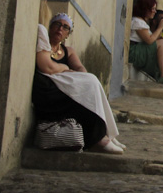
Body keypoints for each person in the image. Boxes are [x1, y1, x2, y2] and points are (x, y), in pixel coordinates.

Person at [33, 13, 125, 154]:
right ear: (50, 27)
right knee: (86, 96)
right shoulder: (44, 44)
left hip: (63, 89)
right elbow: (48, 67)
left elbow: (81, 69)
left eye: (65, 27)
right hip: (50, 92)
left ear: (67, 35)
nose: (60, 29)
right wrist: (64, 68)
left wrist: (75, 73)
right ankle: (101, 139)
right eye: (57, 24)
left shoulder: (67, 51)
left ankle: (107, 134)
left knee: (92, 81)